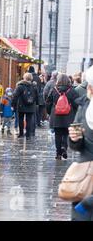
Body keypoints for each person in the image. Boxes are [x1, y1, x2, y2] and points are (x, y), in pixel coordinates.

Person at [69, 66, 93, 220]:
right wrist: (74, 138)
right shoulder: (85, 106)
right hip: (85, 175)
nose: (89, 88)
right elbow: (75, 145)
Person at [46, 73, 79, 160]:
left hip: (56, 116)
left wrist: (50, 112)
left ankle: (58, 154)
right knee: (66, 134)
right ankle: (64, 147)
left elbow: (48, 102)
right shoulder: (72, 90)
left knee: (57, 135)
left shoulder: (54, 90)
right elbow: (77, 104)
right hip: (68, 116)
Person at [12, 73, 39, 138]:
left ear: (24, 78)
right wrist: (36, 104)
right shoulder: (34, 86)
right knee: (29, 120)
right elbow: (37, 96)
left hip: (21, 105)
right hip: (31, 106)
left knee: (20, 119)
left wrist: (13, 104)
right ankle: (28, 135)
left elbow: (15, 96)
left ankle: (21, 133)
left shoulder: (20, 86)